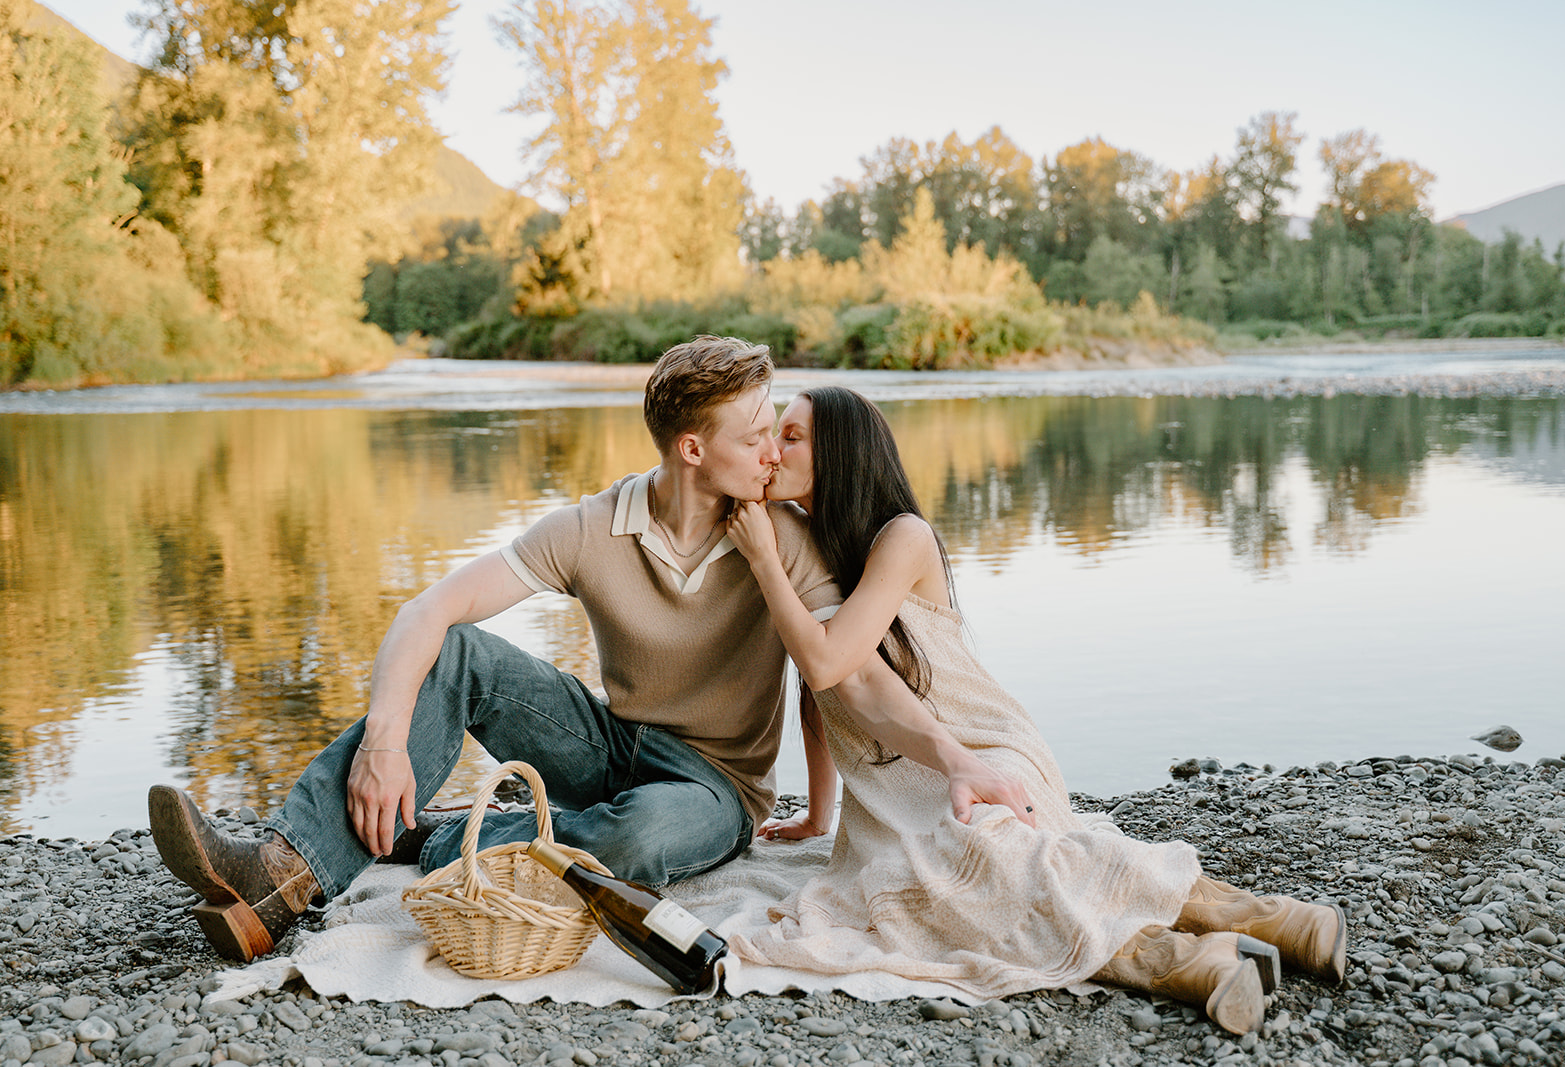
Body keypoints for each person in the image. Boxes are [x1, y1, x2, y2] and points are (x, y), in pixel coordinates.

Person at [147, 337, 944, 965]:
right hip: (611, 741)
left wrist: (843, 800)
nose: (775, 450)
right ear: (693, 448)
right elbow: (431, 608)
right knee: (458, 653)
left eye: (777, 431)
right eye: (758, 432)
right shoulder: (590, 527)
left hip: (716, 786)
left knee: (639, 838)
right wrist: (386, 741)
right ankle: (277, 876)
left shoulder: (786, 539)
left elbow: (840, 676)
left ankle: (429, 837)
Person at [724, 386, 1347, 1035]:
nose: (771, 451)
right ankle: (1199, 958)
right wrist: (818, 816)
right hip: (891, 781)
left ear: (841, 455)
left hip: (979, 743)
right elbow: (821, 693)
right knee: (931, 887)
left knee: (989, 854)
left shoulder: (901, 536)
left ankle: (1265, 922)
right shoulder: (812, 551)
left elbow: (829, 662)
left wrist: (764, 559)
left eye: (791, 437)